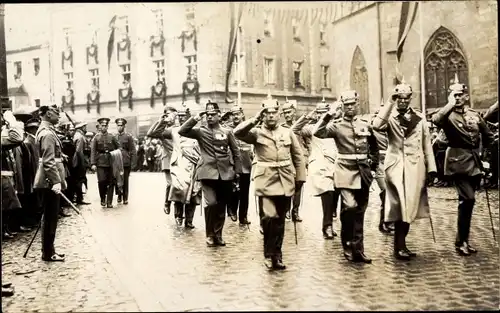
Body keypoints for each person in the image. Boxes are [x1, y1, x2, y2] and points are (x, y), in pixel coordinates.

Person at [234, 97, 306, 270]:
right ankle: (268, 254)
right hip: (265, 181)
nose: (271, 116)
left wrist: (300, 178)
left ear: (279, 114)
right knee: (269, 217)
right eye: (267, 113)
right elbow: (237, 133)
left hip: (284, 180)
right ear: (263, 115)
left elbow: (297, 156)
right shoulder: (256, 132)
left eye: (274, 112)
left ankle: (277, 255)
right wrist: (255, 119)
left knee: (280, 220)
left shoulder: (287, 132)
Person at [372, 82, 437, 260]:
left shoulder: (420, 117)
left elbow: (426, 144)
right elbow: (377, 125)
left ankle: (402, 244)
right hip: (396, 166)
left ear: (410, 98)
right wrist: (389, 103)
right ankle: (398, 247)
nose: (402, 101)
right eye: (399, 98)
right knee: (401, 205)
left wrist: (431, 168)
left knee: (410, 207)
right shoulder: (390, 116)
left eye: (405, 98)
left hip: (415, 167)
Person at [432, 75, 496, 256]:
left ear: (466, 97)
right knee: (467, 199)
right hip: (457, 163)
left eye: (460, 95)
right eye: (454, 95)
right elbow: (436, 120)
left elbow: (488, 136)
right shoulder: (447, 115)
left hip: (475, 162)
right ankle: (461, 242)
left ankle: (464, 240)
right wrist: (449, 105)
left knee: (468, 203)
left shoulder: (474, 115)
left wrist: (485, 158)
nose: (457, 97)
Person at [313, 90, 379, 264]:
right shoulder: (336, 125)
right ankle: (347, 243)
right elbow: (317, 132)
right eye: (347, 105)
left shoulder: (365, 124)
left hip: (363, 172)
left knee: (360, 211)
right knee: (349, 207)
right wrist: (328, 115)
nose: (350, 108)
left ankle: (358, 249)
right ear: (342, 106)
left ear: (357, 104)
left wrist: (373, 167)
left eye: (353, 104)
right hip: (344, 171)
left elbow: (374, 147)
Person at [178, 101, 242, 247]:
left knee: (221, 205)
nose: (210, 117)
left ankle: (218, 235)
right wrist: (195, 118)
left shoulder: (227, 132)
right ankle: (209, 234)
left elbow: (236, 152)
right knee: (211, 203)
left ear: (219, 115)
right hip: (207, 173)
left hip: (225, 173)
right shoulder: (200, 131)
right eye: (207, 115)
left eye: (213, 114)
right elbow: (182, 131)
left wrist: (237, 172)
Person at [291, 99, 341, 239]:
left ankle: (332, 220)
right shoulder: (312, 128)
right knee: (328, 193)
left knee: (336, 195)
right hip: (320, 165)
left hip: (337, 164)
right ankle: (327, 226)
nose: (320, 116)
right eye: (318, 113)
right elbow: (294, 130)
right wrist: (308, 117)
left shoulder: (336, 127)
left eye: (323, 113)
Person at [148, 104, 202, 228]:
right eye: (180, 116)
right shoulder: (173, 131)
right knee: (178, 189)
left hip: (193, 165)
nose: (182, 119)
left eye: (185, 116)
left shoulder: (197, 131)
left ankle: (189, 220)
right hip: (178, 165)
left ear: (189, 117)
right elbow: (153, 133)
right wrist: (162, 120)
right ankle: (178, 216)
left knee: (193, 192)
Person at [32, 104, 67, 262]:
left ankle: (49, 250)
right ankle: (48, 252)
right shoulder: (47, 133)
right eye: (55, 112)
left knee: (50, 216)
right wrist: (55, 181)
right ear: (46, 114)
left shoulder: (47, 131)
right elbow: (48, 161)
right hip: (49, 181)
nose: (58, 115)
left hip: (48, 179)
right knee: (50, 217)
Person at [224, 105, 253, 225]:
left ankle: (243, 216)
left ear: (242, 114)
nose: (235, 116)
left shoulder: (248, 128)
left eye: (238, 114)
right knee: (232, 190)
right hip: (232, 163)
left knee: (244, 192)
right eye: (233, 114)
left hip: (246, 164)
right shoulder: (227, 129)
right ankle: (232, 211)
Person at [280, 99, 306, 222]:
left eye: (289, 112)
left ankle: (295, 211)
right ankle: (286, 210)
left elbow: (306, 142)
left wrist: (306, 157)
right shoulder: (281, 128)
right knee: (288, 185)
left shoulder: (301, 127)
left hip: (299, 160)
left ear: (294, 112)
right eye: (285, 113)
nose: (287, 115)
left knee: (299, 185)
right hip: (287, 160)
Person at [371, 102, 394, 234]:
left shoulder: (392, 127)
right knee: (385, 192)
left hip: (392, 162)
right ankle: (384, 223)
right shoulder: (372, 129)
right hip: (379, 162)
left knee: (392, 193)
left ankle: (389, 220)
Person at [90, 117, 120, 208]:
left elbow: (118, 147)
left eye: (105, 126)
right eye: (102, 125)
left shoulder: (112, 136)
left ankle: (109, 201)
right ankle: (103, 197)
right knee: (101, 181)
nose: (104, 127)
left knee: (111, 182)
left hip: (111, 161)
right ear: (99, 126)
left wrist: (116, 156)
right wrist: (93, 163)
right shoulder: (96, 138)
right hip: (100, 162)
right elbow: (93, 151)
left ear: (107, 127)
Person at [115, 118, 137, 204]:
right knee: (117, 179)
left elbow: (133, 150)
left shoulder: (128, 137)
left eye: (121, 125)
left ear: (124, 126)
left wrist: (133, 163)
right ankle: (119, 194)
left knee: (125, 180)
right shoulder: (114, 137)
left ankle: (125, 197)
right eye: (118, 125)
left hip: (125, 161)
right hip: (116, 161)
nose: (120, 127)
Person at [71, 122, 90, 205]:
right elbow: (79, 151)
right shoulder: (80, 137)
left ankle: (78, 197)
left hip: (77, 160)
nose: (85, 128)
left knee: (78, 179)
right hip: (79, 161)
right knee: (80, 179)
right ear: (81, 127)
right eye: (84, 126)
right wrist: (82, 164)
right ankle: (79, 198)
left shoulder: (77, 135)